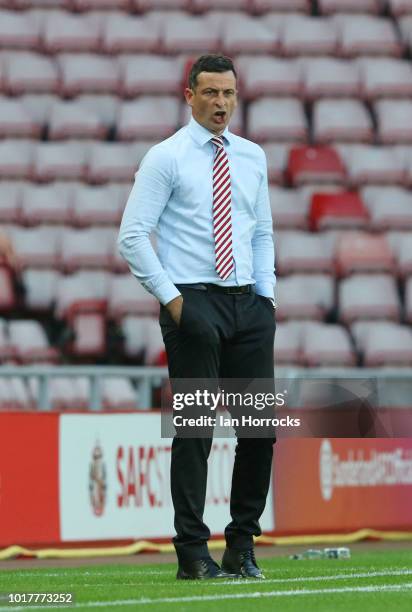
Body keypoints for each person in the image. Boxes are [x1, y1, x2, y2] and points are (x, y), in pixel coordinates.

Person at [118, 54, 276, 580]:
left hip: (247, 303)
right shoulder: (166, 157)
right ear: (189, 96)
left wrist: (266, 298)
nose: (221, 104)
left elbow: (260, 232)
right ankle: (191, 551)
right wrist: (176, 302)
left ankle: (241, 544)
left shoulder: (252, 156)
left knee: (259, 430)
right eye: (210, 93)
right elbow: (133, 236)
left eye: (229, 94)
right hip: (193, 302)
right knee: (196, 429)